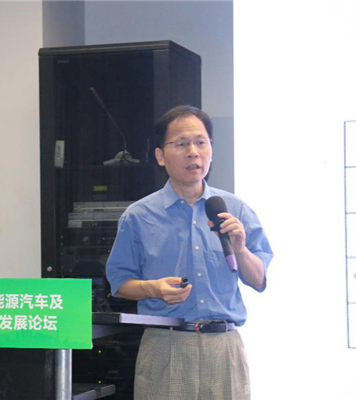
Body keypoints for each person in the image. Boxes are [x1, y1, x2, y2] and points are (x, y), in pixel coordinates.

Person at [105, 105, 273, 400]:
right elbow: (119, 283)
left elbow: (258, 280)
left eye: (200, 142)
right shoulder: (139, 216)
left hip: (224, 347)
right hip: (166, 345)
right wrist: (153, 289)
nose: (193, 152)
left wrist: (241, 250)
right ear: (161, 156)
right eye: (182, 143)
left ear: (211, 150)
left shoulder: (236, 209)